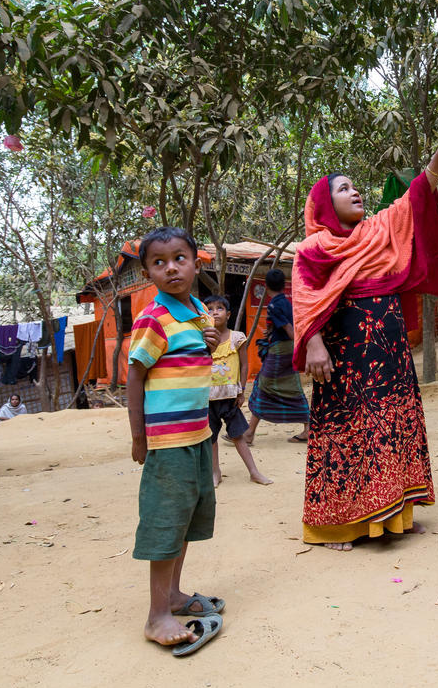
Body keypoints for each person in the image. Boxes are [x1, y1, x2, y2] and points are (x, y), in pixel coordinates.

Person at [294, 127, 438, 552]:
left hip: (390, 354)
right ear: (324, 203)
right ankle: (340, 525)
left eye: (355, 186)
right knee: (349, 433)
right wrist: (313, 343)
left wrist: (437, 163)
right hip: (346, 359)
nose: (356, 192)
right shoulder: (313, 248)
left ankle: (397, 516)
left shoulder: (379, 230)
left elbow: (413, 203)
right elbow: (306, 298)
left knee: (394, 425)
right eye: (344, 188)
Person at [126, 227, 224, 655]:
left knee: (186, 519)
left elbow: (197, 353)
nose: (171, 268)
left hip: (198, 434)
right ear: (148, 272)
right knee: (166, 523)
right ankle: (155, 616)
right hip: (167, 441)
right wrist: (137, 437)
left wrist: (211, 340)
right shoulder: (152, 318)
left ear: (195, 263)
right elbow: (134, 375)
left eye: (179, 258)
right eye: (159, 262)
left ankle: (175, 595)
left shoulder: (198, 308)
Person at [205, 295, 272, 486]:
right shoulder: (203, 338)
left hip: (230, 397)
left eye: (219, 308)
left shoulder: (237, 337)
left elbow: (244, 365)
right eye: (209, 309)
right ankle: (215, 472)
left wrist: (242, 390)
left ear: (228, 314)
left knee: (237, 436)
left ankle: (254, 472)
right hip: (208, 397)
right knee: (211, 438)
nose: (215, 312)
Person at [244, 269, 310, 444]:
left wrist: (296, 340)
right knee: (293, 386)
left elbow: (288, 329)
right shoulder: (288, 303)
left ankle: (249, 432)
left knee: (263, 384)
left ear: (266, 286)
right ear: (283, 285)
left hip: (280, 350)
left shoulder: (273, 305)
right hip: (288, 349)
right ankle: (308, 428)